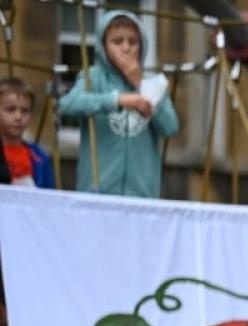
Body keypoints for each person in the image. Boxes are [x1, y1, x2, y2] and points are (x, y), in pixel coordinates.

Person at [57, 9, 179, 198]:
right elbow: (67, 105)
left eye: (133, 41)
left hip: (142, 195)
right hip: (97, 190)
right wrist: (117, 100)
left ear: (142, 45)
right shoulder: (93, 78)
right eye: (117, 41)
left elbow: (170, 127)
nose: (126, 48)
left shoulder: (153, 83)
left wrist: (140, 83)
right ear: (103, 46)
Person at [0, 79, 55, 189]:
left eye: (25, 111)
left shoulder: (39, 156)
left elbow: (49, 196)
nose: (18, 117)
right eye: (10, 109)